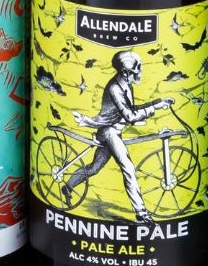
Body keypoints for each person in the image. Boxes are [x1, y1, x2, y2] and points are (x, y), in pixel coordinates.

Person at [55, 49, 169, 221]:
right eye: (137, 70)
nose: (140, 72)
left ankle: (68, 186)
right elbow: (130, 116)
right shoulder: (115, 88)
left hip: (114, 132)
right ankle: (141, 212)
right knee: (128, 167)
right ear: (125, 72)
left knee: (94, 168)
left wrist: (157, 103)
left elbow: (130, 109)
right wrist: (154, 108)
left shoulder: (126, 85)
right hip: (108, 132)